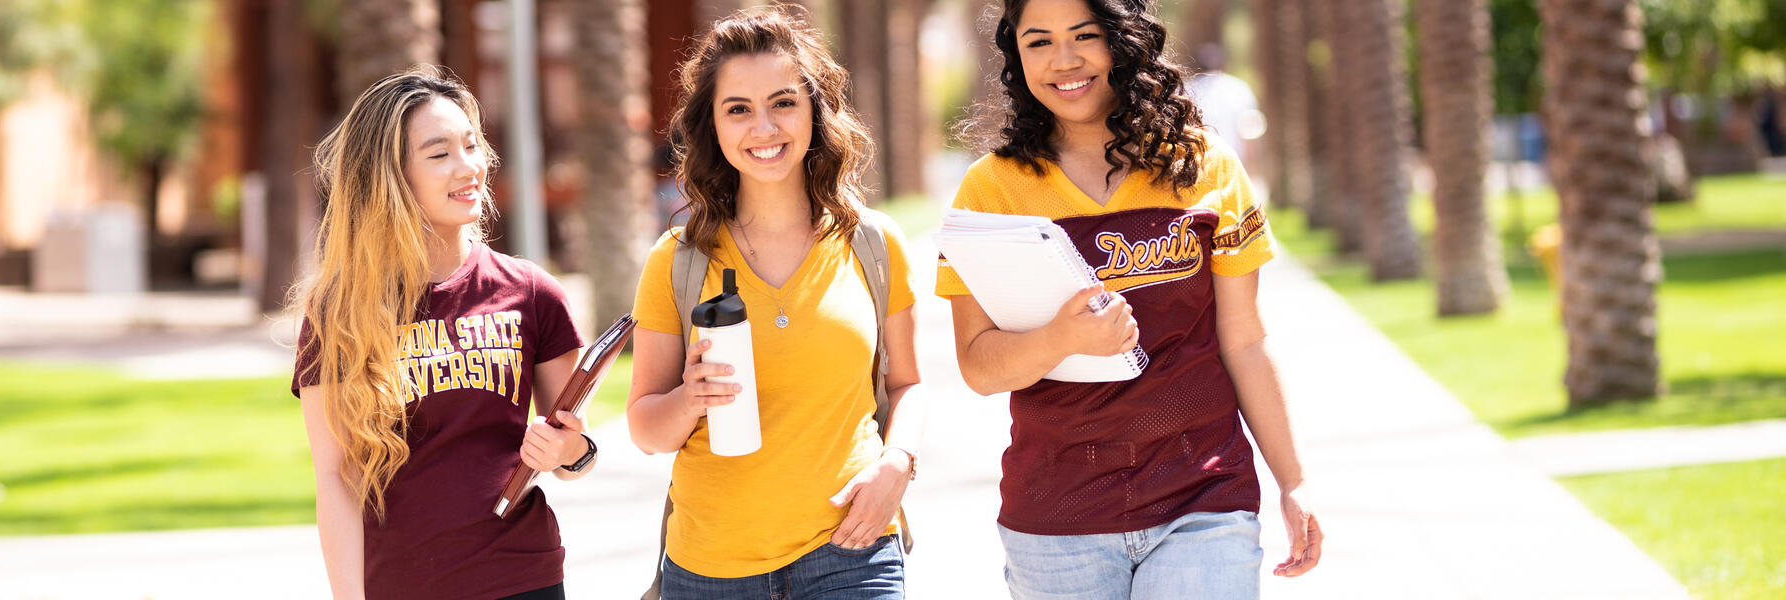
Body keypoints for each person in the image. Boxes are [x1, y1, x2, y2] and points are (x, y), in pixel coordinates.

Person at [942, 0, 1324, 598]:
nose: (1063, 60)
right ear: (1016, 56)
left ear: (1123, 41)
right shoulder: (989, 191)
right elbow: (979, 366)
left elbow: (1244, 340)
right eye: (1038, 41)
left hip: (1204, 498)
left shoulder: (1203, 165)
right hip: (1055, 519)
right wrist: (1060, 340)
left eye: (1084, 36)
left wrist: (1293, 481)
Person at [626, 7, 929, 599]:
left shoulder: (873, 242)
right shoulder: (677, 260)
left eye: (784, 102)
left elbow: (908, 384)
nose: (763, 127)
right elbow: (645, 429)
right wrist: (691, 397)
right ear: (711, 126)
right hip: (710, 567)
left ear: (815, 111)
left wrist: (899, 463)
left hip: (853, 551)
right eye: (738, 108)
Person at [291, 66, 594, 600]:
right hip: (402, 584)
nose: (468, 167)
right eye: (439, 154)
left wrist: (567, 449)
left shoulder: (532, 292)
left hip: (524, 577)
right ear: (389, 177)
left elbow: (576, 453)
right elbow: (336, 480)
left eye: (472, 146)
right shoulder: (340, 312)